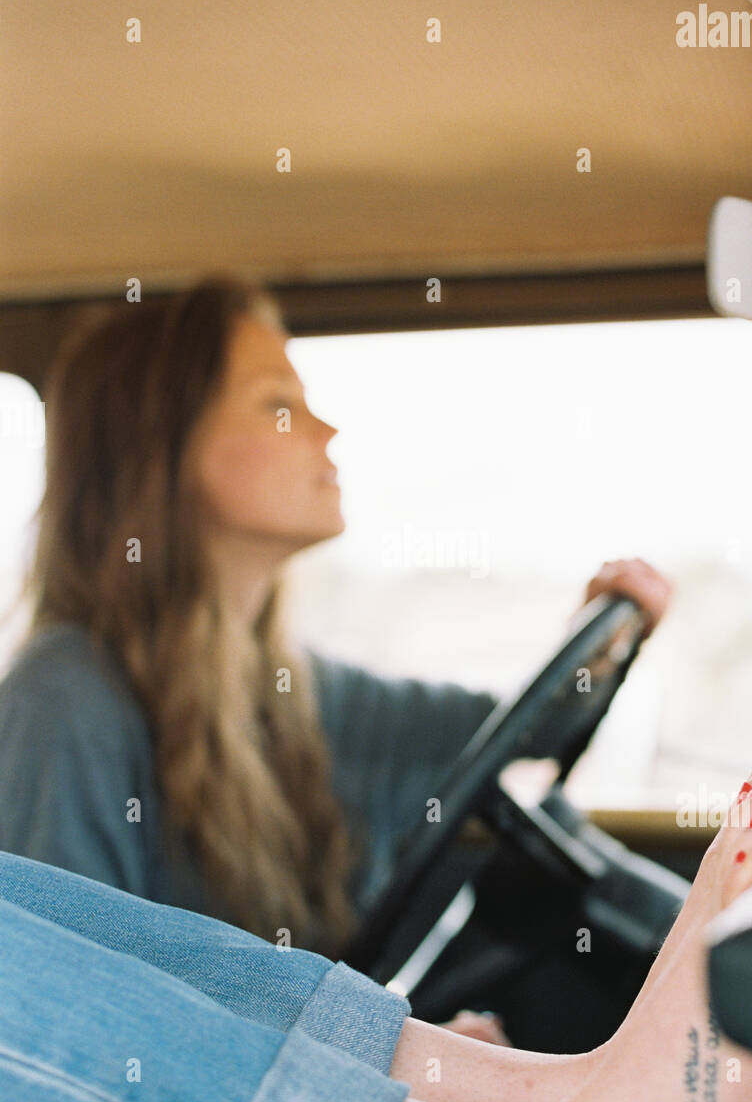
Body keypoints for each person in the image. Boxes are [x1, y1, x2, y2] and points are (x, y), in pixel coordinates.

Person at [0, 276, 670, 1035]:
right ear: (162, 444)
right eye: (278, 404)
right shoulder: (64, 698)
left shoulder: (280, 688)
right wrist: (381, 1073)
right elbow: (65, 1029)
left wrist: (596, 642)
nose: (325, 431)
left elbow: (490, 746)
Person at [0, 735, 752, 1102]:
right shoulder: (69, 689)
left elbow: (469, 732)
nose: (322, 428)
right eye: (272, 420)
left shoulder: (258, 664)